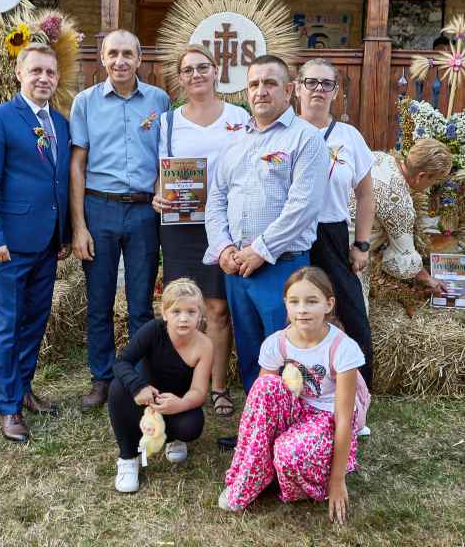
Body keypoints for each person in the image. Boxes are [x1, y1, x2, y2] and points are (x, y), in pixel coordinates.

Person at [204, 54, 329, 396]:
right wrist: (223, 248)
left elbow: (303, 207)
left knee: (287, 352)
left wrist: (260, 250)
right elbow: (216, 200)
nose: (261, 91)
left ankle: (289, 420)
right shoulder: (235, 141)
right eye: (254, 84)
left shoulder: (305, 139)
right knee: (251, 352)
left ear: (289, 90)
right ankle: (258, 414)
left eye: (270, 83)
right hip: (238, 268)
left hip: (282, 267)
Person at [0, 43, 71, 442]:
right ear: (19, 74)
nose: (43, 78)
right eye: (36, 71)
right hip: (9, 246)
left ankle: (24, 388)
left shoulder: (59, 123)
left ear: (57, 78)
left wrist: (63, 233)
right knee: (7, 326)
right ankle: (8, 406)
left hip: (47, 243)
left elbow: (59, 180)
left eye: (50, 72)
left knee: (35, 322)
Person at [70, 30, 170, 411]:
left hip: (144, 211)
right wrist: (79, 226)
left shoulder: (158, 101)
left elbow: (165, 157)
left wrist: (160, 188)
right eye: (113, 53)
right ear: (102, 58)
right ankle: (102, 377)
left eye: (128, 53)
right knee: (99, 301)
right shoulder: (85, 103)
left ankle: (139, 378)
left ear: (140, 59)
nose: (120, 61)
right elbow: (77, 166)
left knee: (141, 303)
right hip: (100, 209)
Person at [218, 267, 365, 525]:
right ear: (285, 304)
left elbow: (343, 419)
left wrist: (337, 480)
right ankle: (250, 476)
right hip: (295, 410)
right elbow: (259, 406)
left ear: (328, 304)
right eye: (294, 302)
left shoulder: (342, 348)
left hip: (326, 419)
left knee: (287, 454)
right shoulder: (277, 342)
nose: (302, 310)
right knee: (264, 385)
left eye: (312, 301)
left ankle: (298, 473)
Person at [152, 44, 249, 417]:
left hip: (225, 223)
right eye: (188, 69)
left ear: (216, 71)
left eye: (203, 67)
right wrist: (158, 195)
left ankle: (218, 386)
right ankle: (183, 382)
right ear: (181, 78)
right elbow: (161, 172)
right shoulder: (168, 122)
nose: (196, 74)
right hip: (182, 226)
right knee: (181, 305)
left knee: (218, 308)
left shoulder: (239, 117)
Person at [296, 58, 375, 390]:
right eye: (311, 82)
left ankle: (359, 392)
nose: (318, 89)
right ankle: (294, 389)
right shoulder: (284, 131)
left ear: (336, 91)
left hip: (331, 232)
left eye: (326, 84)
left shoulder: (348, 136)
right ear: (297, 88)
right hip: (290, 234)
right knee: (294, 311)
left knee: (353, 312)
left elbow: (366, 195)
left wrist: (361, 245)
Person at [108, 278, 213, 493]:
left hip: (177, 401)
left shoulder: (205, 345)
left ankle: (172, 438)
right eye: (176, 312)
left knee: (192, 426)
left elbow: (199, 391)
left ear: (200, 315)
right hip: (147, 399)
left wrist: (180, 404)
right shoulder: (153, 330)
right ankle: (128, 458)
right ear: (164, 314)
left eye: (191, 312)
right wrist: (139, 387)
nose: (183, 318)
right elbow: (121, 362)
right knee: (118, 388)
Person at [350, 138, 453, 305]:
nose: (431, 187)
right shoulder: (399, 203)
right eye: (434, 181)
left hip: (321, 232)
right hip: (348, 254)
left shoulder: (381, 157)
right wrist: (430, 280)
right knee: (356, 314)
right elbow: (404, 262)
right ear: (421, 176)